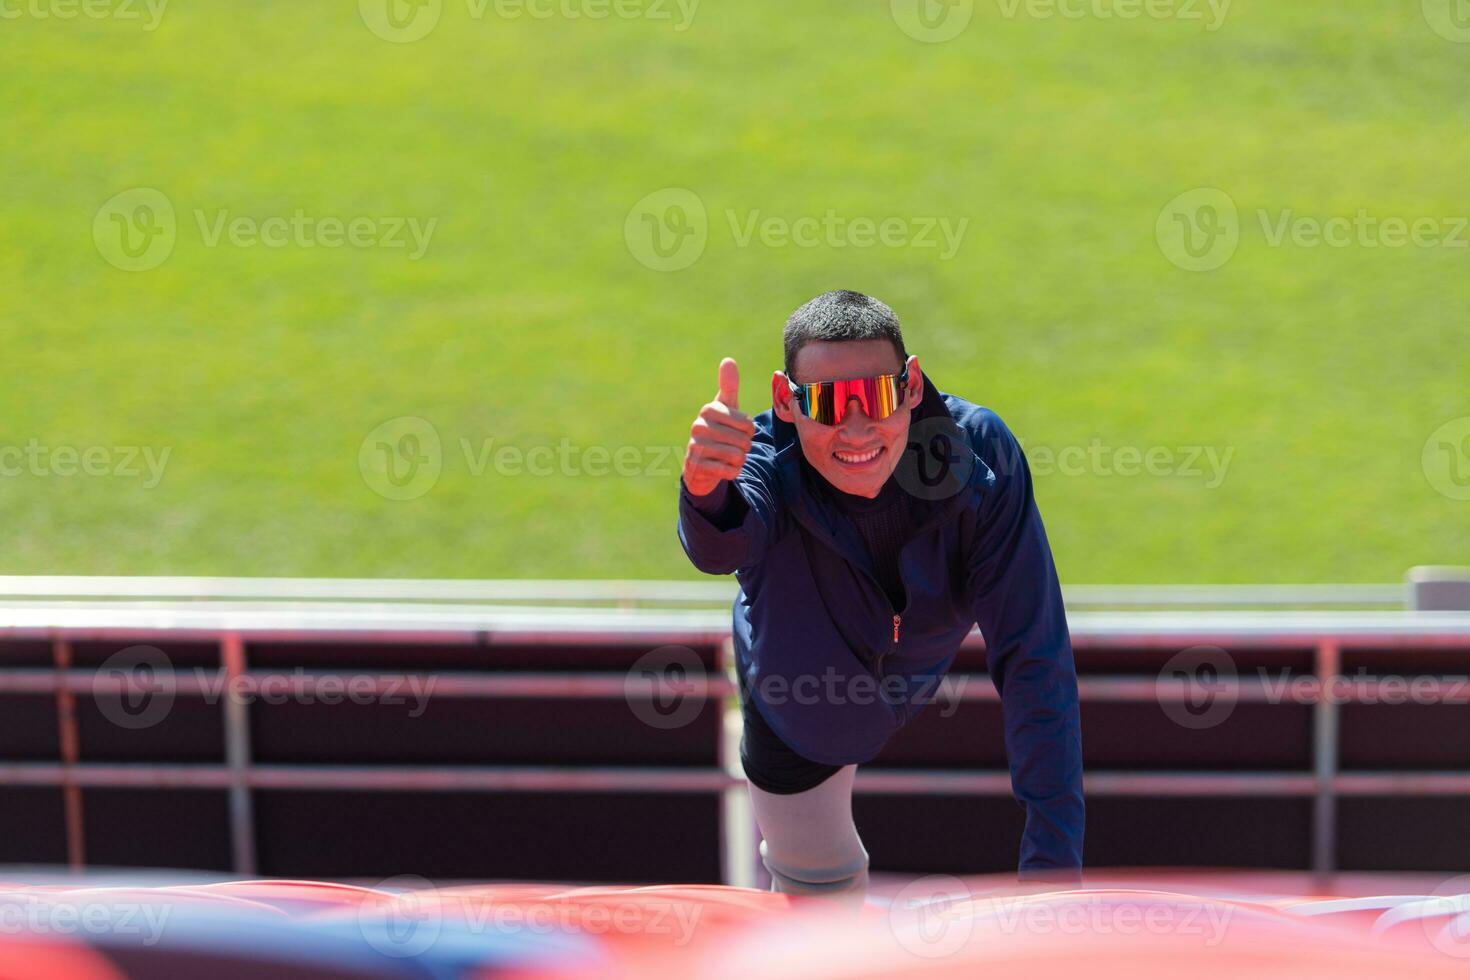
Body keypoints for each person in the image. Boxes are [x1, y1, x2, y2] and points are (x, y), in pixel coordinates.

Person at [676, 289, 1083, 901]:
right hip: (798, 696)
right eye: (829, 404)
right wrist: (705, 490)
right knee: (818, 895)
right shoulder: (760, 459)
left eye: (877, 396)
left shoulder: (982, 461)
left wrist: (1055, 878)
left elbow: (1034, 657)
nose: (857, 428)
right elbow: (722, 544)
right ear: (785, 402)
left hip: (914, 665)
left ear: (913, 385)